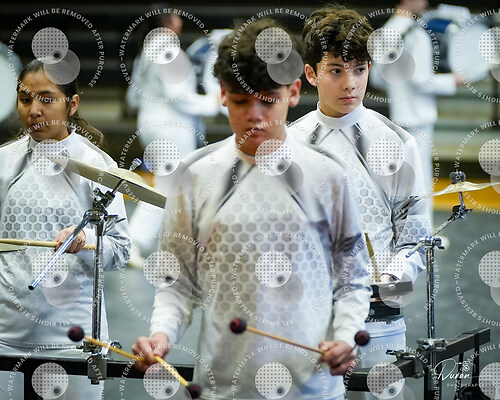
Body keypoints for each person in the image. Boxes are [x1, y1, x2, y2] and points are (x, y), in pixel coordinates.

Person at [132, 18, 372, 400]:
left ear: (294, 92)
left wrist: (346, 336)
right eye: (241, 101)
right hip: (222, 387)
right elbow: (176, 282)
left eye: (268, 100)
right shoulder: (194, 175)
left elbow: (353, 278)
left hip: (311, 389)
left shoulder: (327, 173)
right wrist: (162, 333)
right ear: (222, 95)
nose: (255, 115)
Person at [291, 5, 431, 399]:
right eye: (336, 70)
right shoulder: (289, 145)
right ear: (311, 73)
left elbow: (416, 237)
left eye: (359, 69)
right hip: (309, 326)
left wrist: (391, 277)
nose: (350, 83)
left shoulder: (398, 142)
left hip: (380, 324)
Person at [0, 59, 131, 399]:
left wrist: (86, 239)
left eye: (47, 99)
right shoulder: (5, 162)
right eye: (25, 99)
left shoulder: (97, 166)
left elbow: (120, 250)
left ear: (72, 104)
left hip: (72, 340)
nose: (34, 110)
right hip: (6, 338)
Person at [125, 4, 221, 265]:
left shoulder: (147, 50)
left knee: (177, 187)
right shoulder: (168, 48)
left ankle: (181, 244)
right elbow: (178, 95)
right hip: (171, 128)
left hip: (151, 124)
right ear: (169, 21)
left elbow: (133, 98)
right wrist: (212, 102)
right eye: (176, 14)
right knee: (169, 187)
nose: (180, 19)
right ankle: (133, 241)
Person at [368, 0, 461, 219]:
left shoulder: (385, 32)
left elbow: (377, 79)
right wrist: (453, 80)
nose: (425, 2)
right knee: (421, 181)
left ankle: (402, 229)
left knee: (400, 182)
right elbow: (421, 80)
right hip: (418, 115)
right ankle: (422, 231)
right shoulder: (415, 33)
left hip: (398, 115)